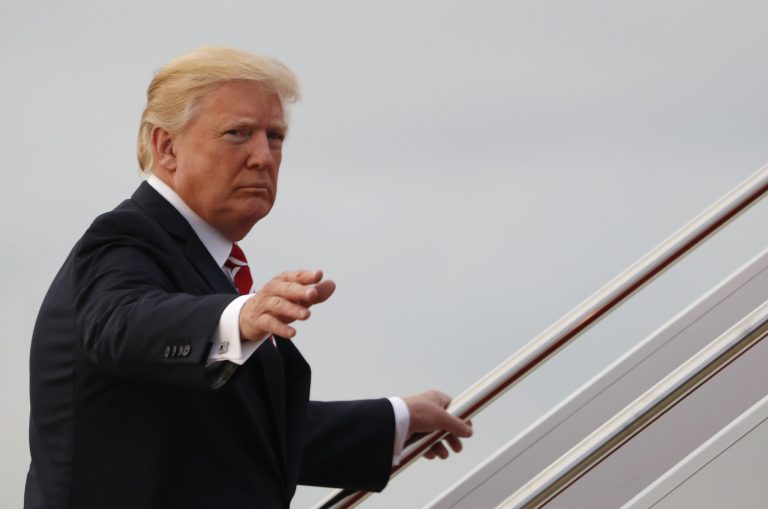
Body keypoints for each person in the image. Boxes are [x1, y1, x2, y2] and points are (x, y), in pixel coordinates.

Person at [25, 47, 472, 509]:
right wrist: (239, 317)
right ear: (166, 147)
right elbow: (121, 323)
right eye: (237, 133)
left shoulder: (204, 264)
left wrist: (395, 420)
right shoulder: (125, 237)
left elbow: (244, 439)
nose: (263, 156)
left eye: (274, 136)